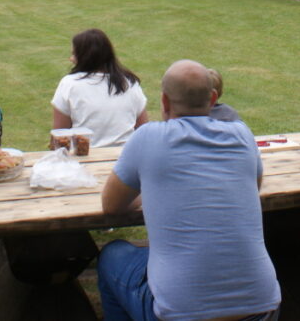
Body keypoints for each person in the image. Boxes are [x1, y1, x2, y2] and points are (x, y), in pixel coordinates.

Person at [97, 59, 280, 321]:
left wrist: (150, 194)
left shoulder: (147, 137)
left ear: (164, 101)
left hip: (179, 314)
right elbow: (253, 187)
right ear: (213, 97)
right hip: (263, 309)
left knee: (113, 255)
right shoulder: (242, 135)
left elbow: (111, 205)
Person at [51, 29, 148, 148]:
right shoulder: (129, 83)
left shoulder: (69, 84)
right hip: (126, 158)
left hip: (86, 158)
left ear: (84, 57)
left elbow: (61, 135)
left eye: (74, 54)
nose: (71, 59)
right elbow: (143, 131)